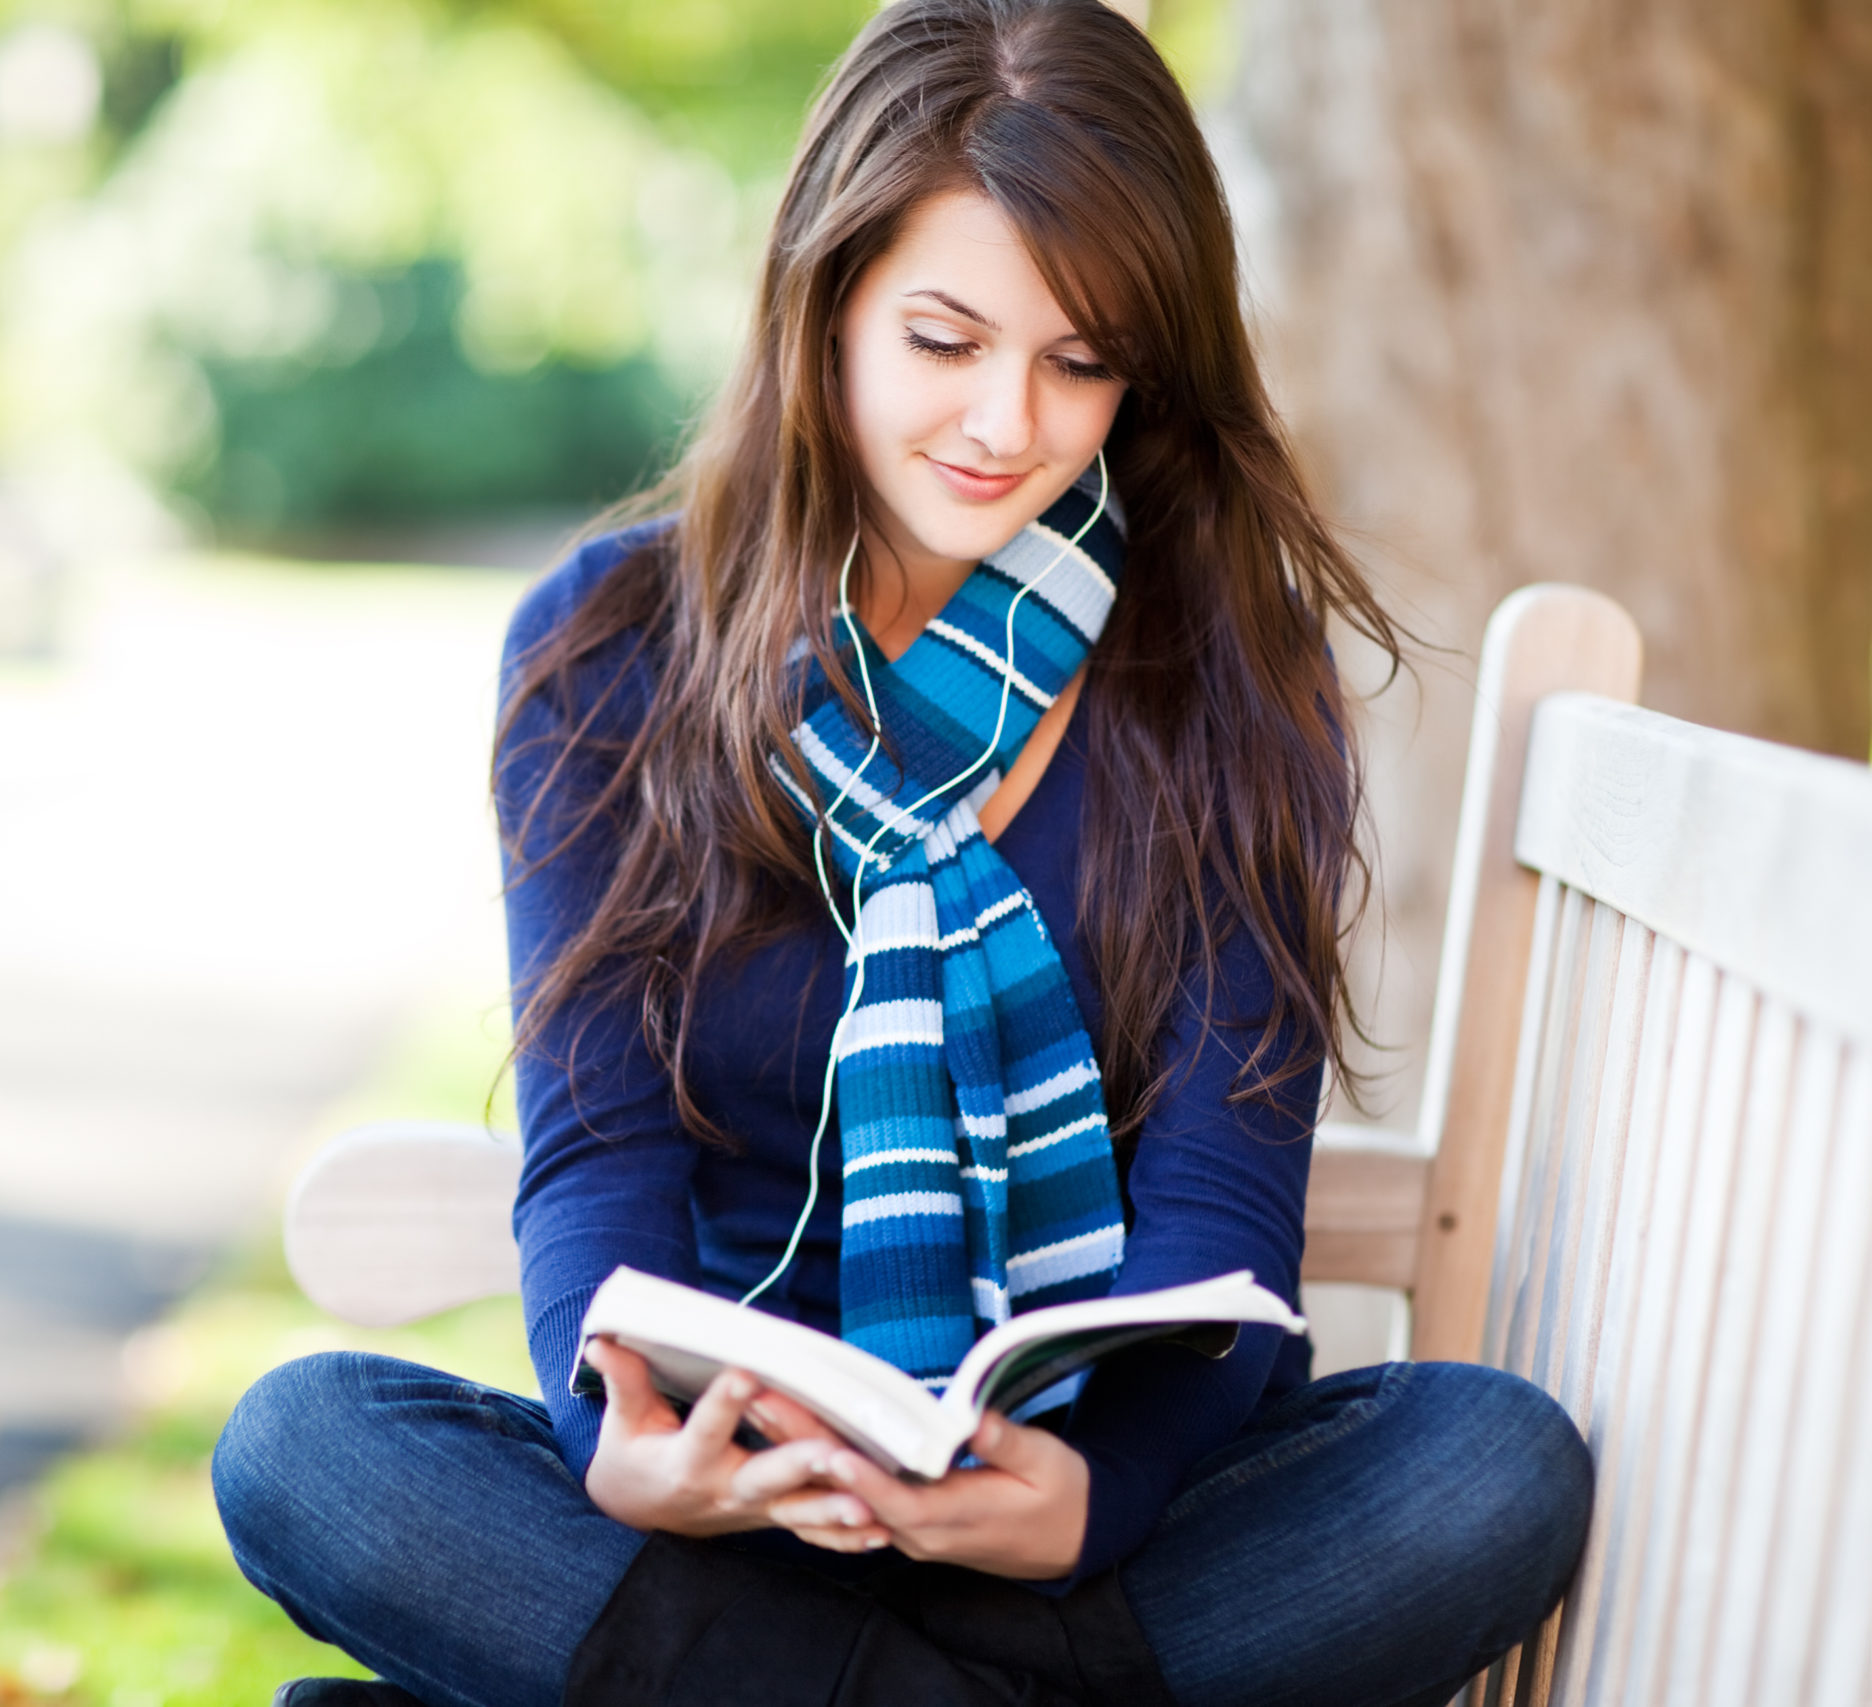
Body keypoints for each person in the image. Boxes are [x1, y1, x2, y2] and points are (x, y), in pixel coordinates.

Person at [214, 3, 1593, 1704]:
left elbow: (1224, 1213)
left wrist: (1091, 1496)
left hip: (1091, 1549)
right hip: (730, 1527)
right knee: (307, 1446)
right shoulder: (609, 650)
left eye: (1080, 361)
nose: (1007, 423)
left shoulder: (1234, 662)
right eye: (946, 339)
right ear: (829, 300)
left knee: (1489, 1465)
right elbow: (595, 1155)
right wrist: (619, 1450)